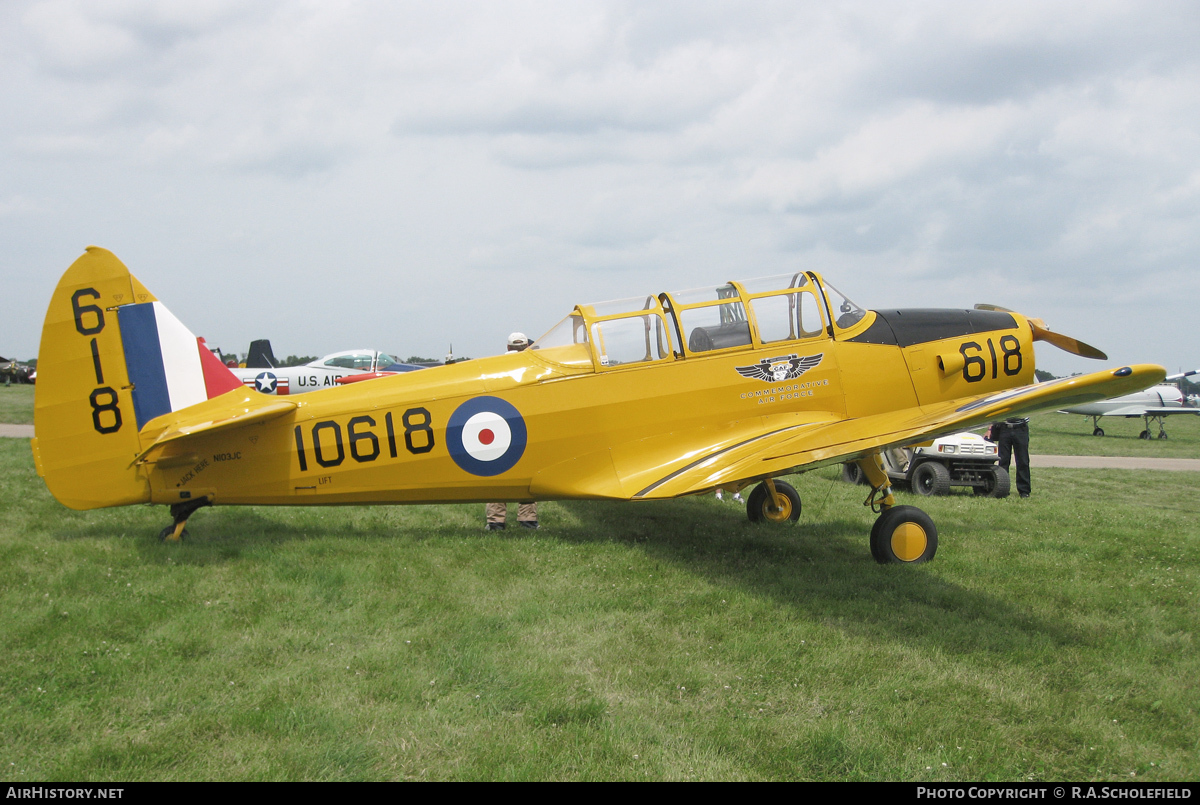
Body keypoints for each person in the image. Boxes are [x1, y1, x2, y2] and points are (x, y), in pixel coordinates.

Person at [486, 333, 538, 530]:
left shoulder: (496, 366)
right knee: (527, 474)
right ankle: (528, 519)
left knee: (499, 474)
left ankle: (496, 521)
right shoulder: (532, 367)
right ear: (526, 346)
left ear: (508, 347)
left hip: (499, 427)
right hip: (524, 427)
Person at [989, 417, 1031, 498]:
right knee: (1003, 460)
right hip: (1004, 428)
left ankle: (1024, 491)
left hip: (1020, 427)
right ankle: (1003, 488)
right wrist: (990, 428)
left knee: (1023, 460)